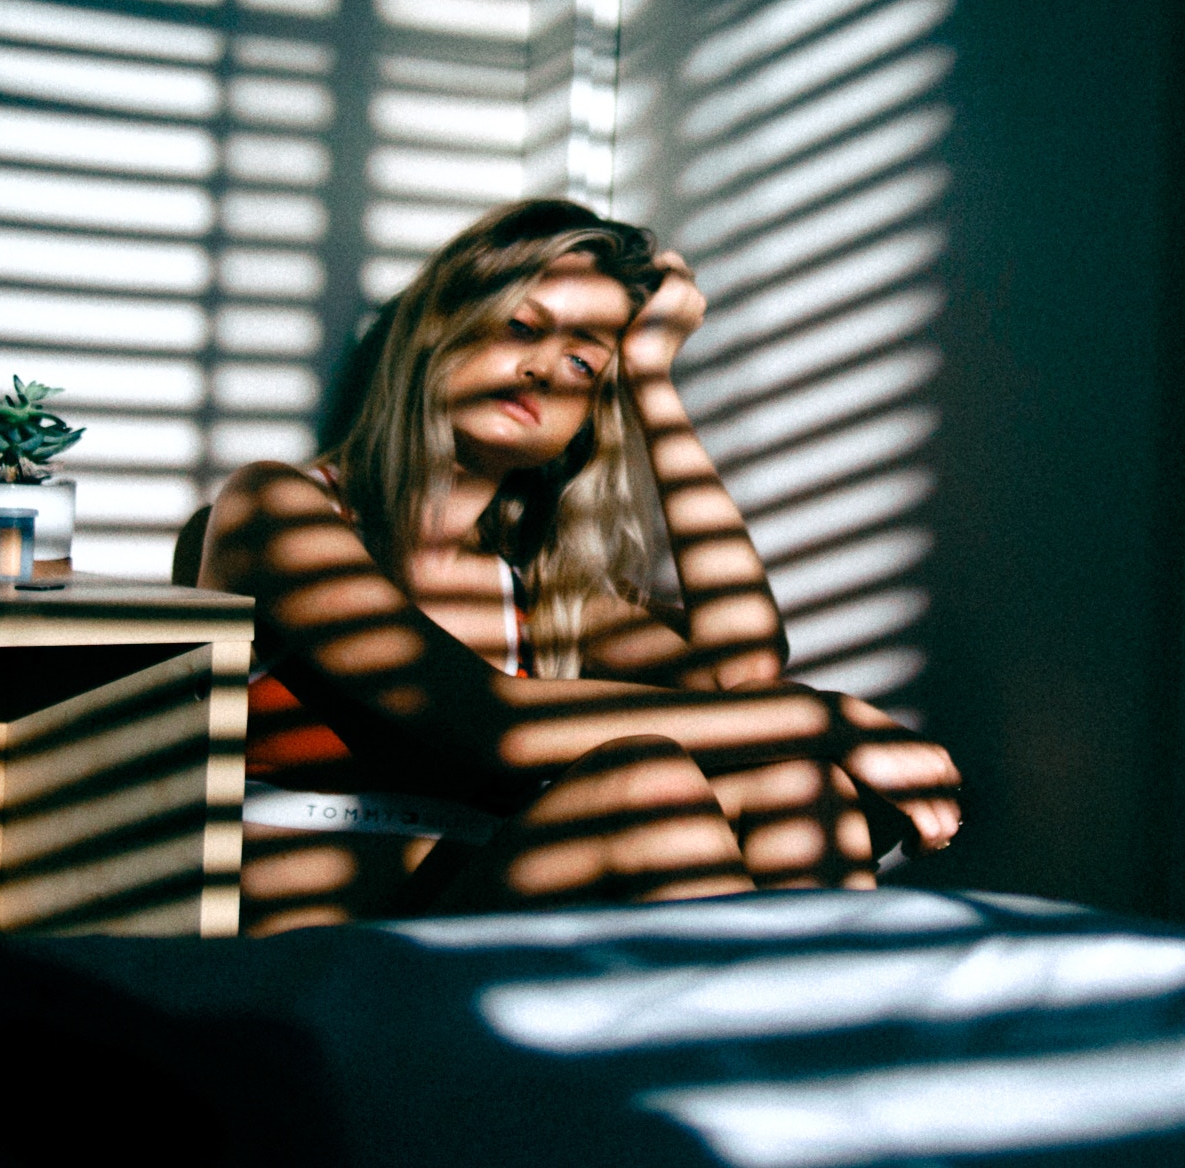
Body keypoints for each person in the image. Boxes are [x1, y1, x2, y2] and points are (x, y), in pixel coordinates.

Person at [193, 198, 962, 933]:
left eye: (585, 365)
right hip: (327, 949)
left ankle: (820, 1048)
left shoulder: (537, 592)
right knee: (645, 787)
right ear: (441, 326)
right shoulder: (278, 507)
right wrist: (831, 714)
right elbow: (489, 724)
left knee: (797, 782)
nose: (543, 370)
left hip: (478, 933)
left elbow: (747, 676)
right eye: (522, 326)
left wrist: (655, 387)